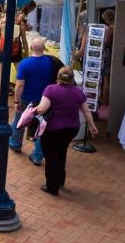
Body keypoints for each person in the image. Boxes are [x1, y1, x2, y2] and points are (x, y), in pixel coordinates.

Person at [35, 66, 96, 195]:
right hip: (71, 129)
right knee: (62, 152)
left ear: (58, 77)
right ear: (72, 78)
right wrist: (92, 125)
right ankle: (60, 180)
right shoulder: (78, 92)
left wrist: (32, 110)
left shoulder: (50, 90)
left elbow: (42, 109)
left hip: (53, 129)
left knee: (51, 157)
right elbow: (85, 110)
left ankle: (52, 186)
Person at [11, 39, 63, 165]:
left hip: (27, 99)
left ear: (31, 48)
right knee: (41, 126)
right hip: (45, 100)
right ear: (44, 48)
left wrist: (16, 101)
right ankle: (38, 155)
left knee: (20, 120)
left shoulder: (24, 63)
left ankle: (15, 143)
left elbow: (19, 86)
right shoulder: (51, 62)